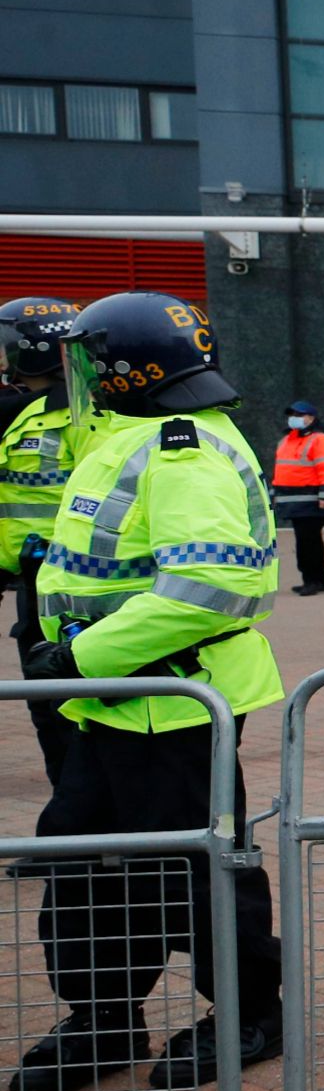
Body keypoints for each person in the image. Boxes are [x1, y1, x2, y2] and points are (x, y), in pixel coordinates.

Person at [13, 291, 285, 1091]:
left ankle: (249, 1015)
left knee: (199, 871)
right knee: (85, 859)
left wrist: (81, 656)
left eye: (88, 360)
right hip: (115, 703)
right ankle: (103, 1017)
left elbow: (208, 585)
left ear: (126, 369)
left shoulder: (182, 447)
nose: (79, 376)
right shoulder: (132, 435)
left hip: (170, 704)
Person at [2, 295, 84, 785]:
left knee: (59, 708)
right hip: (30, 577)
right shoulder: (23, 410)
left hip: (67, 580)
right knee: (50, 708)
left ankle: (79, 839)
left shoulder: (76, 415)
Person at [272, 399, 324, 594]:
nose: (294, 419)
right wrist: (274, 493)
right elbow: (281, 471)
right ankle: (316, 579)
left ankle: (313, 580)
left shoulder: (320, 440)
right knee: (308, 541)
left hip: (311, 500)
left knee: (307, 542)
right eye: (292, 415)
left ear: (311, 418)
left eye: (299, 415)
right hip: (293, 500)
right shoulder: (286, 440)